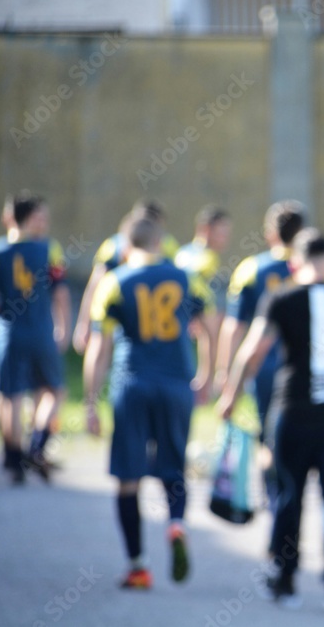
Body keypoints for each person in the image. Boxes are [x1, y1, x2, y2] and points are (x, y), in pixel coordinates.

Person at [217, 229, 324, 614]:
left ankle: (286, 582)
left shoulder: (280, 298)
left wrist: (230, 395)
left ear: (294, 264)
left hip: (293, 411)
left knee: (289, 495)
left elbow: (253, 351)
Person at [83, 215, 212, 589]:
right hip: (176, 384)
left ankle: (138, 565)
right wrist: (208, 373)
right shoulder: (187, 278)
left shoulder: (114, 282)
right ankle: (176, 524)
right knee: (174, 467)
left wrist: (90, 401)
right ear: (161, 242)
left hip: (132, 384)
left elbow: (98, 348)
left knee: (128, 476)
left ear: (125, 246)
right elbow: (211, 326)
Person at [216, 201, 306, 507]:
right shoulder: (311, 268)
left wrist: (225, 374)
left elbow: (233, 328)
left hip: (264, 368)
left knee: (269, 438)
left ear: (270, 233)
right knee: (299, 437)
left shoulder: (251, 270)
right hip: (302, 369)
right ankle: (289, 498)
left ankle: (274, 500)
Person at [0, 192, 70, 483]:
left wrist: (5, 305)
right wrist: (64, 327)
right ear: (29, 218)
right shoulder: (49, 249)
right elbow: (61, 293)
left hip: (9, 334)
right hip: (41, 331)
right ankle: (37, 445)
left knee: (10, 397)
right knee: (54, 390)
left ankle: (14, 460)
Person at [72, 199, 179, 354]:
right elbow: (96, 284)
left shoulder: (168, 246)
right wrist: (84, 324)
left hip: (155, 313)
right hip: (123, 309)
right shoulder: (114, 245)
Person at [175, 205, 233, 396]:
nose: (225, 239)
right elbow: (205, 302)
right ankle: (205, 386)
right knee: (212, 331)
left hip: (177, 313)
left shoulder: (183, 252)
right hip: (190, 310)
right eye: (221, 233)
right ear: (206, 229)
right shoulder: (207, 259)